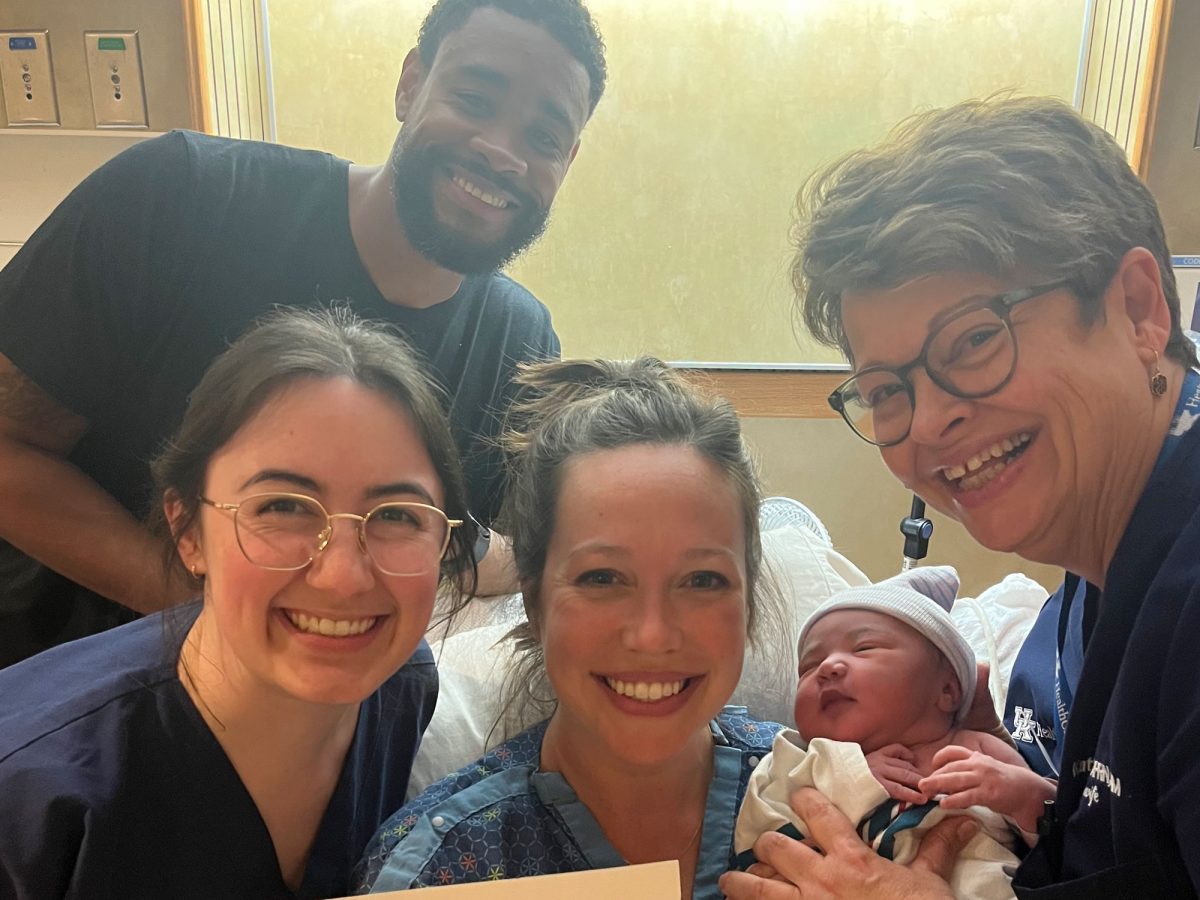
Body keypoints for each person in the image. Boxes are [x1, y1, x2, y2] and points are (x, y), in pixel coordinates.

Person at [0, 0, 607, 667]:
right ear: (410, 84)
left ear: (570, 161)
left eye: (544, 138)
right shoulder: (182, 198)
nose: (501, 151)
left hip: (309, 723)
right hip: (50, 686)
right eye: (474, 97)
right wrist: (214, 615)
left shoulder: (518, 346)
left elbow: (472, 544)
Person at [722, 95, 1200, 899]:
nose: (931, 420)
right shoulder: (1087, 583)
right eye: (885, 390)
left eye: (975, 339)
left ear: (1137, 308)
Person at [0, 308, 476, 898]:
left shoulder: (399, 685)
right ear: (188, 532)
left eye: (398, 516)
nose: (344, 578)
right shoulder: (28, 796)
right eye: (283, 507)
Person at [357, 357, 783, 900]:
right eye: (602, 577)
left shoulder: (836, 811)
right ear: (534, 600)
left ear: (748, 601)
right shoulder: (440, 867)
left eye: (702, 580)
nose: (652, 635)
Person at [734, 566, 1049, 899]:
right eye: (809, 666)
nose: (827, 667)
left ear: (947, 691)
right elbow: (760, 834)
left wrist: (1022, 795)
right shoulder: (796, 758)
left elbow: (1061, 834)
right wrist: (851, 777)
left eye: (864, 648)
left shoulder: (977, 749)